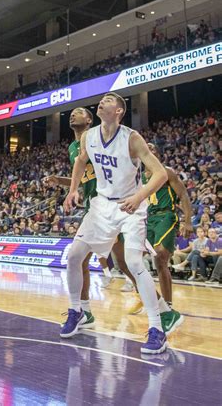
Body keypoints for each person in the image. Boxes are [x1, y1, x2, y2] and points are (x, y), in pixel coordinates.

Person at [62, 92, 168, 355]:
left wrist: (139, 196)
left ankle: (157, 328)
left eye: (109, 100)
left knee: (132, 262)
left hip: (129, 204)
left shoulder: (131, 138)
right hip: (101, 203)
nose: (102, 102)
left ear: (119, 111)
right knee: (74, 256)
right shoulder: (89, 136)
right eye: (102, 100)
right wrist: (72, 190)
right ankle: (77, 311)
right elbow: (80, 161)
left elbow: (161, 173)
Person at [43, 107, 136, 330]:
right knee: (79, 259)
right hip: (93, 206)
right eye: (71, 113)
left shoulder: (99, 137)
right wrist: (61, 181)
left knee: (126, 262)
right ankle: (83, 311)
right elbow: (85, 178)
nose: (72, 115)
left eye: (78, 112)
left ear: (89, 119)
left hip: (115, 203)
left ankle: (160, 307)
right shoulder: (73, 148)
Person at [137, 143, 193, 333]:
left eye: (152, 148)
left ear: (156, 153)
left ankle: (167, 305)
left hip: (166, 215)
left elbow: (183, 194)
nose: (149, 150)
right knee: (150, 262)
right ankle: (159, 303)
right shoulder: (140, 177)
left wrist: (188, 221)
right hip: (148, 219)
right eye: (146, 148)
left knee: (161, 256)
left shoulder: (166, 171)